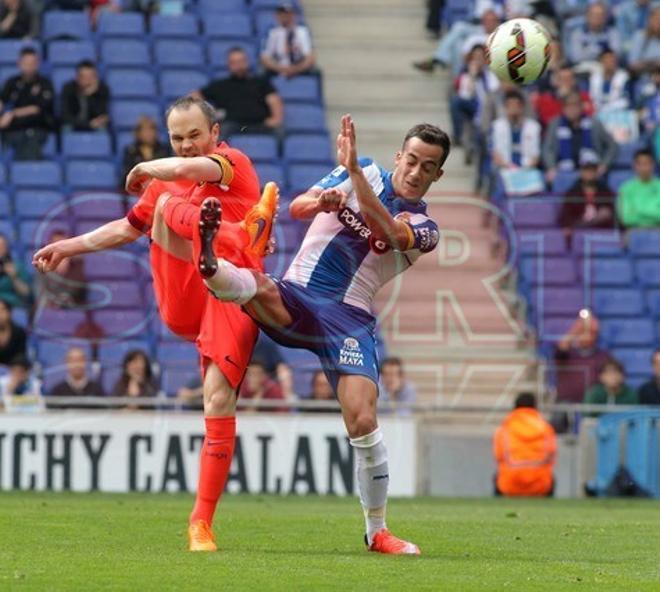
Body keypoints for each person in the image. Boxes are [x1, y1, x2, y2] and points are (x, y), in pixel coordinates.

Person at [189, 114, 449, 554]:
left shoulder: (427, 229)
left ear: (438, 175)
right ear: (398, 156)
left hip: (350, 317)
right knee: (262, 289)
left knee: (363, 420)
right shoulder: (364, 168)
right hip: (302, 293)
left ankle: (377, 531)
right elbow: (297, 207)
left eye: (428, 167)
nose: (416, 172)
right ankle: (213, 266)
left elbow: (387, 230)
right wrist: (323, 199)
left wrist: (348, 176)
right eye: (412, 160)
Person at [33, 96, 278, 553]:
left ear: (215, 134)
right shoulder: (164, 182)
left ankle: (200, 524)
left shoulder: (232, 163)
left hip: (233, 292)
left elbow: (194, 171)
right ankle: (238, 236)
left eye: (194, 136)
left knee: (218, 398)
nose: (186, 146)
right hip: (185, 290)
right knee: (164, 210)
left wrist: (148, 167)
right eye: (177, 138)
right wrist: (68, 246)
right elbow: (127, 228)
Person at [194, 46, 284, 140]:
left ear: (247, 62)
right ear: (229, 65)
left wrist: (276, 118)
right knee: (218, 132)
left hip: (260, 123)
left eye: (241, 61)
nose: (239, 65)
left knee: (280, 131)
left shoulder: (261, 83)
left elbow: (274, 100)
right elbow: (195, 96)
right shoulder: (221, 85)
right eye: (235, 63)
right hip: (232, 124)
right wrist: (209, 114)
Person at [542, 91, 617, 184]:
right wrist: (551, 167)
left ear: (581, 107)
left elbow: (612, 146)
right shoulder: (555, 124)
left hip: (591, 171)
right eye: (568, 106)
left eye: (575, 106)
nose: (572, 109)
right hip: (563, 171)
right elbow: (547, 149)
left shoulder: (594, 124)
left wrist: (604, 165)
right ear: (563, 108)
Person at [493, 392, 556, 497]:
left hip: (510, 485)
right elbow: (551, 456)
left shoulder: (505, 428)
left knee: (496, 477)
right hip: (540, 486)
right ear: (535, 407)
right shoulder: (546, 428)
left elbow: (498, 456)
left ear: (515, 407)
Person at [0, 47, 54, 160]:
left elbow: (37, 109)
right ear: (19, 63)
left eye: (32, 63)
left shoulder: (45, 84)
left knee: (29, 144)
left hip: (35, 129)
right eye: (26, 63)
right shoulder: (12, 82)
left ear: (38, 64)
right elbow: (2, 101)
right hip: (12, 130)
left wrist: (12, 114)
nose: (29, 66)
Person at [450, 44, 499, 157]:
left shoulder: (490, 75)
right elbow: (465, 96)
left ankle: (474, 147)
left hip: (488, 109)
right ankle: (459, 137)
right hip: (473, 107)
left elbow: (494, 92)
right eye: (475, 57)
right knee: (456, 101)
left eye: (480, 57)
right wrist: (472, 76)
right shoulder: (466, 75)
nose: (478, 60)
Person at [554, 309, 611, 403]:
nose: (587, 335)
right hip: (566, 405)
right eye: (583, 331)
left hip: (593, 405)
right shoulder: (567, 353)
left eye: (592, 333)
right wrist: (577, 329)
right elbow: (561, 348)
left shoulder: (603, 356)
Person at [557, 154, 616, 238]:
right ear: (581, 171)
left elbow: (612, 216)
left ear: (597, 171)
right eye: (586, 169)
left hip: (601, 233)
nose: (589, 173)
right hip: (579, 233)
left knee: (605, 214)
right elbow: (565, 216)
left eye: (592, 169)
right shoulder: (572, 193)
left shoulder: (606, 192)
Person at [260, 3, 316, 78]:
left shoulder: (303, 31)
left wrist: (295, 69)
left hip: (299, 67)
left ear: (293, 15)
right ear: (277, 16)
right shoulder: (272, 32)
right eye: (281, 14)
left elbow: (310, 57)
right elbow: (265, 57)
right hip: (278, 67)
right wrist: (281, 68)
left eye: (287, 13)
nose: (284, 16)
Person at [491, 89, 541, 170]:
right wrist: (508, 166)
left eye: (516, 105)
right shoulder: (497, 126)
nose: (513, 108)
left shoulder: (533, 127)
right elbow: (495, 154)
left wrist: (523, 168)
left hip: (527, 169)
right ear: (505, 107)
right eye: (510, 105)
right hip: (504, 169)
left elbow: (536, 156)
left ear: (522, 106)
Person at [36, 229, 87, 309]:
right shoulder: (42, 265)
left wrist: (64, 269)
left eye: (62, 245)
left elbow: (77, 288)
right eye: (55, 244)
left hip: (72, 307)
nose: (59, 249)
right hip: (49, 307)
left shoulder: (77, 264)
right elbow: (40, 291)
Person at [532, 65, 594, 129]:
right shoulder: (546, 99)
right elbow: (548, 121)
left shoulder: (584, 97)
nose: (566, 82)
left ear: (574, 81)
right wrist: (563, 99)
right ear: (556, 81)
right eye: (563, 79)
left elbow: (590, 115)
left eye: (569, 79)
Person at [120, 116, 169, 192]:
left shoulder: (164, 150)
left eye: (152, 130)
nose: (149, 134)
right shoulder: (131, 151)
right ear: (138, 133)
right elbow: (127, 174)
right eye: (145, 130)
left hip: (160, 188)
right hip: (136, 189)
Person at [60, 60, 110, 132]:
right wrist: (87, 124)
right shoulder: (68, 89)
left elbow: (101, 115)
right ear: (77, 77)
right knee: (66, 128)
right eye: (84, 77)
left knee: (102, 129)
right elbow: (65, 116)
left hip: (94, 125)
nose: (87, 80)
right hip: (75, 124)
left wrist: (91, 95)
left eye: (90, 76)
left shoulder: (102, 89)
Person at [617, 149, 660, 228]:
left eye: (647, 163)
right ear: (635, 166)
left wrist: (638, 212)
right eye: (641, 164)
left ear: (653, 165)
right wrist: (653, 214)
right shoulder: (626, 189)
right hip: (634, 232)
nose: (644, 168)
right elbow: (626, 218)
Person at [0, 233, 31, 308]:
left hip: (12, 306)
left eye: (2, 246)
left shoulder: (17, 266)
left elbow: (26, 293)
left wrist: (14, 277)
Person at [627, 6, 660, 76]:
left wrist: (644, 64)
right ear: (650, 19)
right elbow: (632, 65)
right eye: (656, 18)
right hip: (641, 81)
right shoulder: (640, 36)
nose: (658, 22)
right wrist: (655, 64)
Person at [0, 297, 27, 366]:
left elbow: (21, 356)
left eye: (2, 310)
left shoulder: (19, 332)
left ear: (9, 313)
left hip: (12, 371)